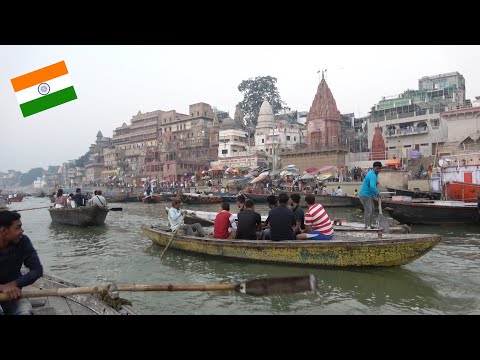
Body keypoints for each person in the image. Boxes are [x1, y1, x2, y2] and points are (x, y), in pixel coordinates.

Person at [0, 211, 43, 315]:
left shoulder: (23, 241)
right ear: (3, 231)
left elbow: (37, 270)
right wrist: (2, 287)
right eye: (18, 227)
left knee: (24, 312)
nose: (22, 231)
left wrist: (14, 284)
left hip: (14, 295)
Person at [359, 161, 382, 229]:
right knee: (368, 210)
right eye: (377, 168)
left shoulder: (374, 174)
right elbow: (372, 186)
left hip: (369, 195)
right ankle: (367, 226)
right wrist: (378, 193)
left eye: (380, 169)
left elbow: (372, 185)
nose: (379, 170)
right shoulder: (372, 175)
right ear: (374, 168)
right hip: (365, 195)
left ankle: (369, 224)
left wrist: (374, 195)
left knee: (372, 209)